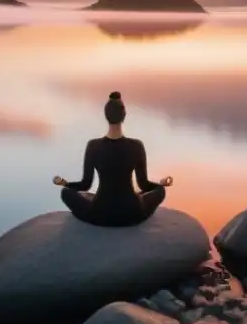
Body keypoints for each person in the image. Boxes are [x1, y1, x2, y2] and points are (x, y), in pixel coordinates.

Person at [54, 91, 173, 227]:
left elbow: (85, 184)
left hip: (100, 213)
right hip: (133, 212)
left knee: (65, 193)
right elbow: (143, 185)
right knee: (160, 191)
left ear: (106, 116)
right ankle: (140, 196)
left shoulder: (93, 145)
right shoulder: (136, 146)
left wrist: (65, 183)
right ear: (124, 116)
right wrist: (160, 184)